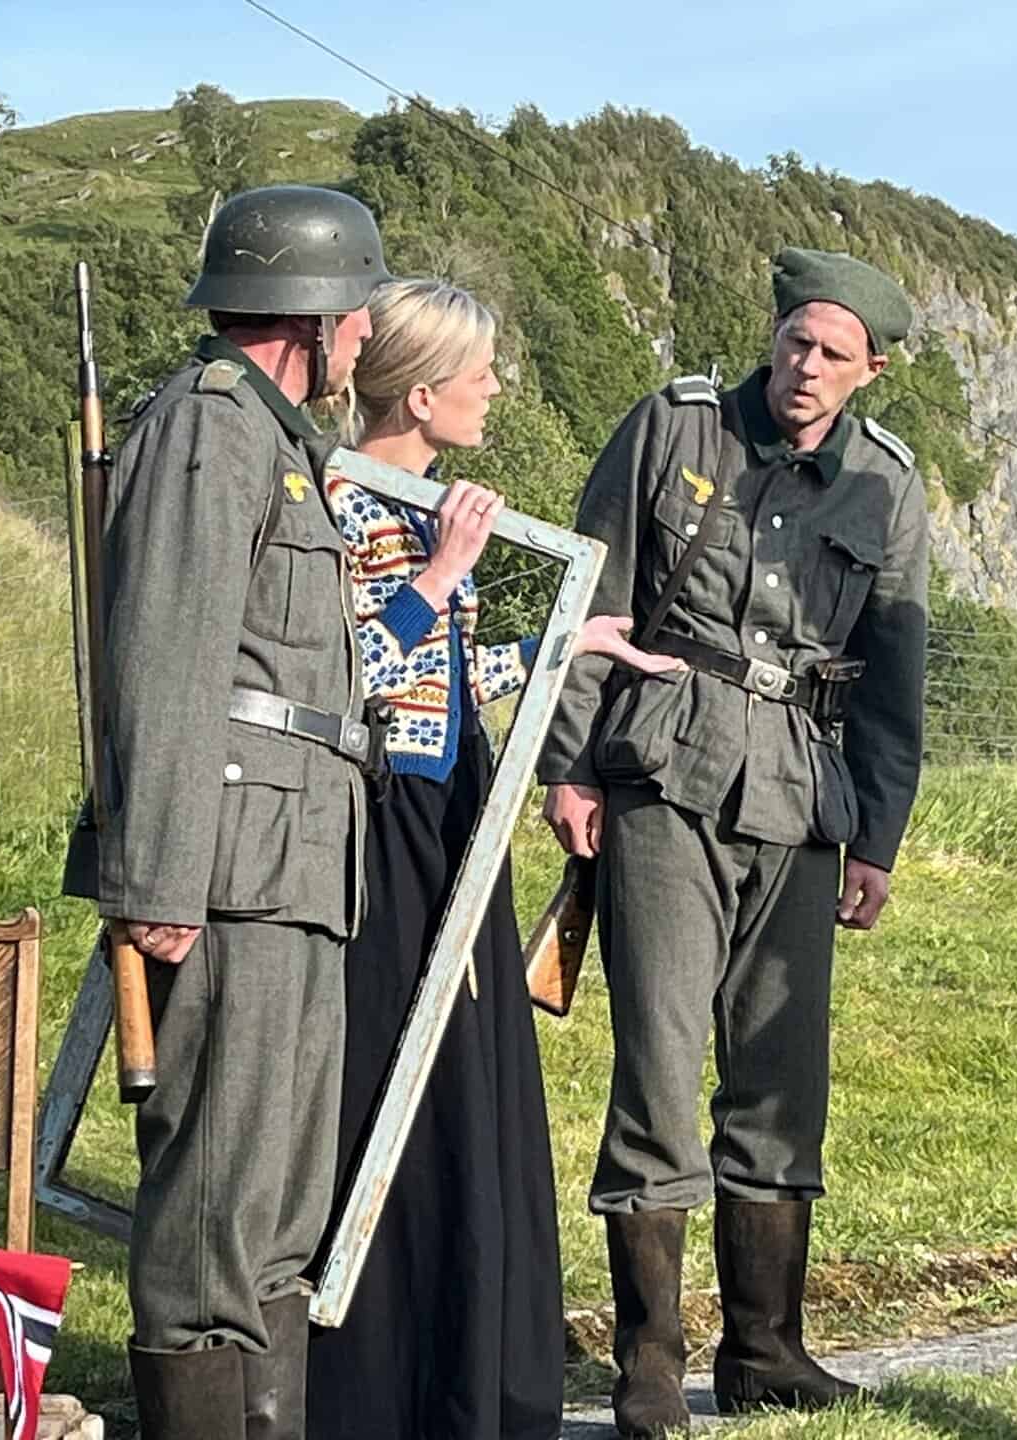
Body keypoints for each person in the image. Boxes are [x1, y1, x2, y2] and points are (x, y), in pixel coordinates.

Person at [538, 248, 931, 1436]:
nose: (807, 367)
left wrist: (878, 839)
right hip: (666, 770)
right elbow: (592, 599)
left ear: (870, 371)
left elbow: (895, 680)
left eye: (835, 354)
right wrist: (566, 762)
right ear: (774, 335)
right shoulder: (677, 426)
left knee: (781, 1075)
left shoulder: (886, 483)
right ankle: (650, 1363)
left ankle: (765, 1349)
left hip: (804, 796)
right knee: (657, 1070)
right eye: (796, 340)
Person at [305, 278, 680, 1440]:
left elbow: (445, 680)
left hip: (454, 813)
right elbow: (343, 677)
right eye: (479, 373)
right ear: (422, 394)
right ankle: (383, 1379)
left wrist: (570, 643)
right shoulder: (345, 503)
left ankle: (469, 1370)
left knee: (465, 1085)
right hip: (388, 828)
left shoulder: (425, 512)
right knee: (394, 1083)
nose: (496, 389)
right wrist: (438, 578)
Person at [60, 185, 392, 1440]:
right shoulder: (211, 427)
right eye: (355, 311)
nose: (365, 334)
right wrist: (157, 881)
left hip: (294, 868)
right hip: (228, 874)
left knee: (277, 1215)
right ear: (309, 317)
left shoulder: (279, 443)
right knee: (213, 1217)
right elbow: (165, 658)